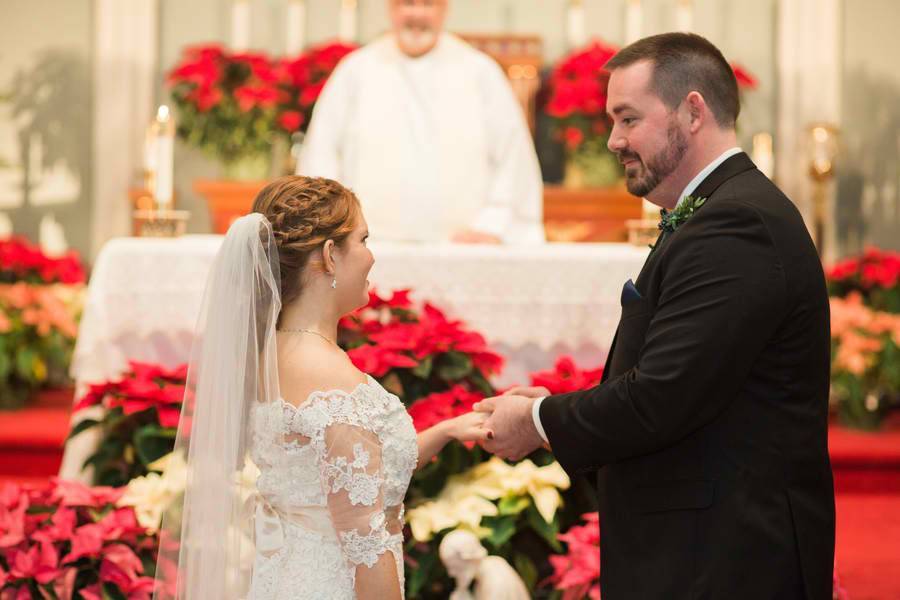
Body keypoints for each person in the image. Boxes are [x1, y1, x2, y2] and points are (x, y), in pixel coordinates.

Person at [474, 33, 835, 599]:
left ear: (692, 111)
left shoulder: (735, 223)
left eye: (628, 119)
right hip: (705, 546)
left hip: (727, 558)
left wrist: (539, 420)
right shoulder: (718, 211)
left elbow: (661, 397)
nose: (613, 140)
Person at [155, 176, 492, 600]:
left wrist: (446, 431)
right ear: (331, 255)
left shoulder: (270, 354)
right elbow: (366, 547)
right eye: (363, 240)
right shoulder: (333, 381)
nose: (371, 256)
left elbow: (338, 476)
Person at [298, 0, 544, 244]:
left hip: (462, 248)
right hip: (368, 248)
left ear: (445, 8)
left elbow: (513, 158)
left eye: (428, 4)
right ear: (391, 8)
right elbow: (322, 153)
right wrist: (335, 228)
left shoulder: (480, 72)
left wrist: (491, 226)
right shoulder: (355, 71)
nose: (417, 14)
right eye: (408, 3)